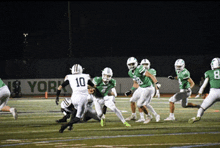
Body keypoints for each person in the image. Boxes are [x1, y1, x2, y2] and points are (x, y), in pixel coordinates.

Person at [56, 64, 96, 133]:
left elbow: (59, 87)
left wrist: (57, 97)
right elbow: (93, 86)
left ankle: (70, 126)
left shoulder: (69, 76)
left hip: (74, 98)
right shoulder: (86, 76)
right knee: (78, 118)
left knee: (75, 110)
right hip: (83, 98)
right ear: (81, 70)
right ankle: (64, 126)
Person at [125, 57, 161, 124]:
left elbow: (150, 75)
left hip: (148, 88)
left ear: (136, 63)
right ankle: (134, 115)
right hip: (141, 88)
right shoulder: (130, 72)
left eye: (133, 64)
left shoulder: (139, 68)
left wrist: (157, 83)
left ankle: (148, 116)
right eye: (130, 64)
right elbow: (136, 83)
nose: (131, 66)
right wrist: (131, 91)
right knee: (132, 100)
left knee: (140, 104)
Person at [188, 57, 220, 123]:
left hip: (213, 93)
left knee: (202, 107)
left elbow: (204, 85)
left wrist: (199, 93)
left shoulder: (209, 72)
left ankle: (198, 116)